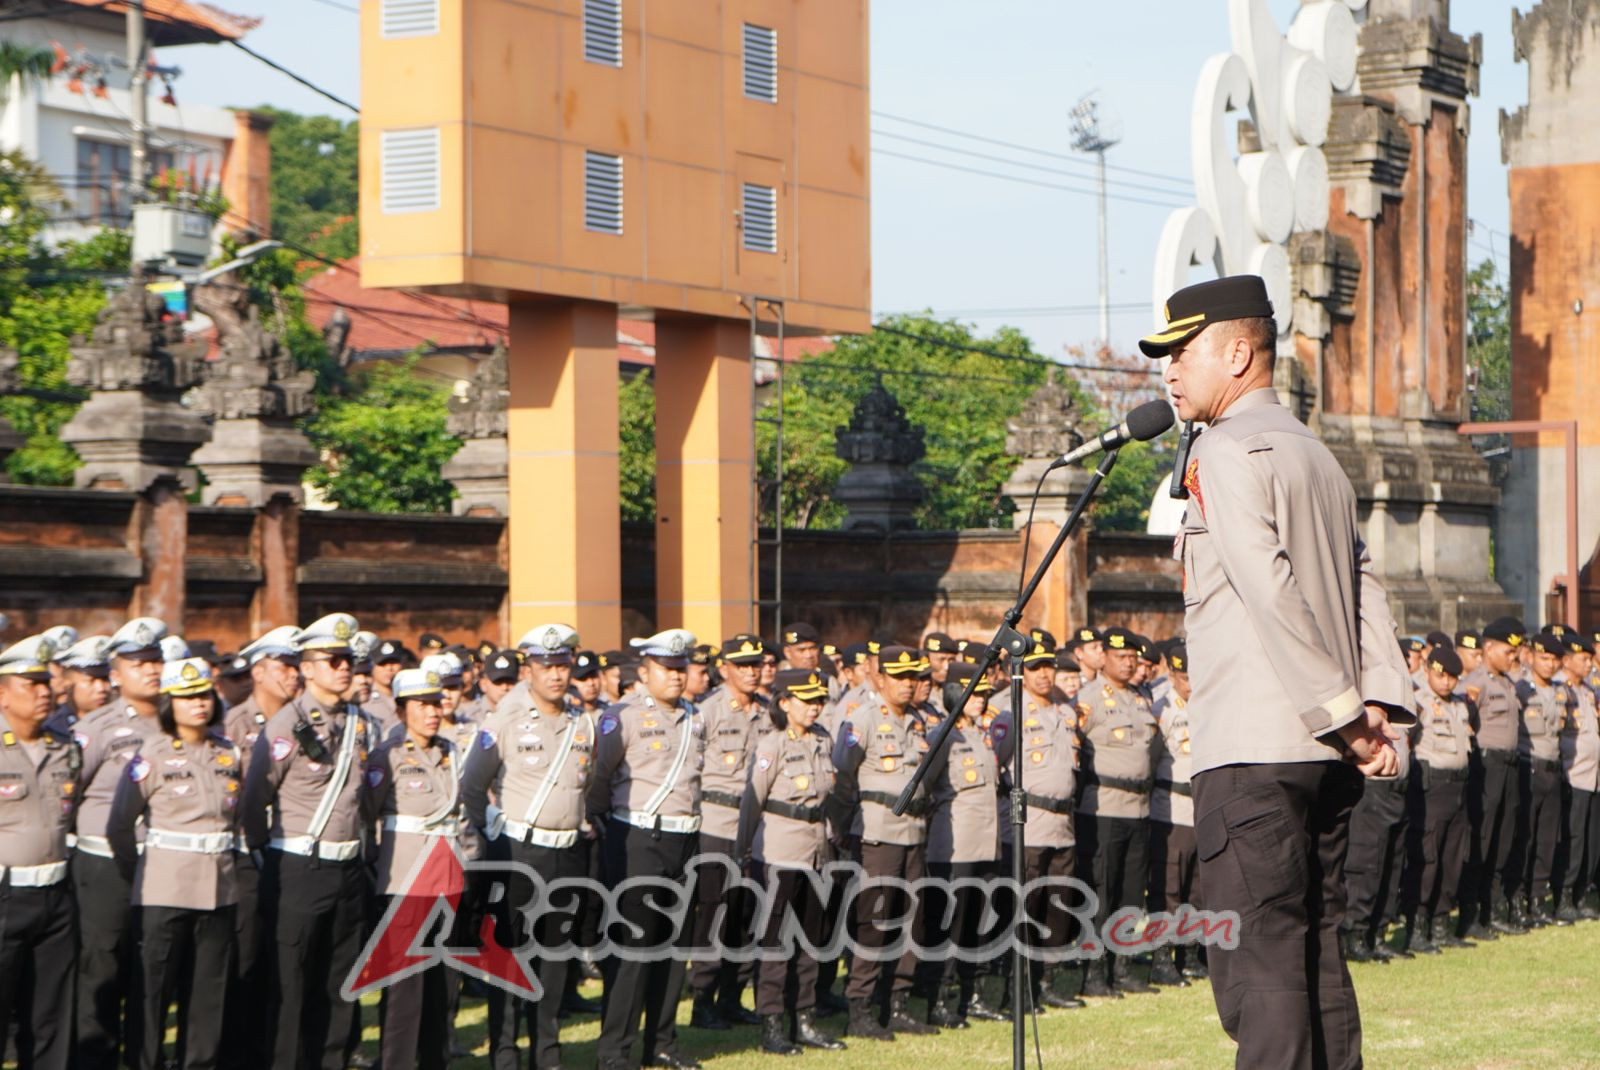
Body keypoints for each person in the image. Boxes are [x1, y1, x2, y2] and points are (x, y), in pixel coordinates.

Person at [1145, 274, 1413, 1070]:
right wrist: (1374, 709)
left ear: (1236, 353)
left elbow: (1269, 591)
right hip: (1323, 753)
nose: (1169, 371)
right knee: (1317, 956)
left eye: (1181, 353)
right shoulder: (1315, 453)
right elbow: (1363, 585)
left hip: (1257, 751)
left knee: (1259, 968)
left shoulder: (1225, 450)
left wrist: (1342, 711)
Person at [240, 613, 381, 1070]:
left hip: (347, 867)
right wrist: (272, 862)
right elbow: (253, 802)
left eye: (349, 660)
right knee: (291, 985)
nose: (345, 668)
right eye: (334, 659)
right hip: (300, 866)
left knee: (340, 983)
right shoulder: (287, 725)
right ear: (307, 667)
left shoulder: (361, 722)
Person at [461, 623, 595, 1070]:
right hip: (518, 852)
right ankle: (505, 1050)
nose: (556, 674)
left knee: (555, 960)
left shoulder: (582, 720)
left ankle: (547, 1052)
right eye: (546, 665)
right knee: (510, 954)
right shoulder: (505, 719)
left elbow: (586, 784)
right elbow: (472, 785)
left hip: (567, 851)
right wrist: (492, 829)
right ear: (530, 669)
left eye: (563, 664)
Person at [107, 655, 243, 1070]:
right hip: (165, 887)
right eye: (186, 698)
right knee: (152, 991)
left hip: (219, 889)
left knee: (207, 995)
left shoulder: (229, 752)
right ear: (169, 703)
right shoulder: (152, 754)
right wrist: (143, 877)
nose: (197, 704)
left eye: (203, 695)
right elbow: (119, 826)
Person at [587, 628, 706, 1070]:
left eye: (681, 668)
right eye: (667, 669)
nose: (676, 677)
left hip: (684, 838)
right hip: (638, 836)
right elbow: (598, 782)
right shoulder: (623, 717)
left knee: (673, 949)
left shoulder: (698, 717)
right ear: (645, 671)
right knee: (632, 949)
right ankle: (615, 1052)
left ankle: (662, 1042)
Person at [364, 667, 480, 1070]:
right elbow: (368, 817)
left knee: (443, 987)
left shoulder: (451, 751)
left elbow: (462, 816)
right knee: (405, 987)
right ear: (401, 711)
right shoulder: (387, 757)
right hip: (406, 881)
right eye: (422, 705)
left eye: (437, 702)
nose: (433, 711)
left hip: (448, 879)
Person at [734, 668, 847, 1055]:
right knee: (776, 944)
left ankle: (805, 1019)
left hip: (816, 852)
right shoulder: (772, 745)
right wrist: (742, 849)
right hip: (780, 853)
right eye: (806, 700)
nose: (815, 707)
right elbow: (753, 801)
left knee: (810, 941)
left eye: (818, 700)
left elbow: (826, 799)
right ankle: (771, 1023)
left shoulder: (822, 740)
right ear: (784, 703)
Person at [74, 615, 169, 1069]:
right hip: (106, 865)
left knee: (151, 970)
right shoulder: (98, 727)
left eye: (155, 660)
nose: (150, 670)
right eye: (138, 663)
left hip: (164, 865)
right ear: (115, 674)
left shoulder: (183, 718)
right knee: (104, 968)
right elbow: (66, 791)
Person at [830, 645, 937, 1041]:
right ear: (880, 678)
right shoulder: (864, 719)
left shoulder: (920, 722)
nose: (909, 684)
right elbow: (842, 775)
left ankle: (899, 1004)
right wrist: (842, 828)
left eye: (914, 676)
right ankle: (859, 1007)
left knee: (911, 920)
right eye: (900, 676)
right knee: (874, 922)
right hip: (878, 834)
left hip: (915, 832)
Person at [989, 632, 1084, 1011]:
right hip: (1027, 821)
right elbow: (993, 765)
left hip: (1063, 822)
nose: (1044, 674)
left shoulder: (1063, 709)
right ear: (1021, 671)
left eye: (1048, 666)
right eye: (1035, 667)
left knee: (1057, 905)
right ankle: (1020, 985)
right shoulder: (1007, 707)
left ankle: (1049, 981)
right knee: (1026, 905)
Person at [0, 633, 81, 1070]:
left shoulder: (65, 747)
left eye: (45, 682)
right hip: (5, 894)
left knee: (51, 1017)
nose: (44, 691)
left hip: (55, 893)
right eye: (30, 683)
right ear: (2, 693)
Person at [688, 635, 770, 1029]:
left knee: (746, 914)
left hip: (758, 828)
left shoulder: (770, 713)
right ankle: (702, 999)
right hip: (718, 824)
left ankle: (733, 997)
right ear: (726, 669)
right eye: (743, 665)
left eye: (756, 664)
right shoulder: (707, 712)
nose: (752, 672)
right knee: (714, 915)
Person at [919, 660, 1003, 1026]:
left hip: (986, 842)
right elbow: (923, 786)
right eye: (974, 694)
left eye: (984, 694)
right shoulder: (943, 735)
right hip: (953, 846)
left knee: (977, 923)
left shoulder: (979, 735)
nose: (981, 700)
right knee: (948, 925)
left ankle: (974, 996)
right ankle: (940, 998)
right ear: (955, 692)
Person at [1401, 646, 1474, 955]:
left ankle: (1441, 923)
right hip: (1431, 788)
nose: (1446, 683)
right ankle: (1416, 928)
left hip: (1459, 787)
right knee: (1427, 858)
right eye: (1439, 675)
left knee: (1452, 857)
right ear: (1429, 671)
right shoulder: (1418, 703)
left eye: (1452, 677)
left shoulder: (1460, 705)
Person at [1461, 617, 1528, 936]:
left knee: (1504, 837)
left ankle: (1494, 908)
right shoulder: (1477, 683)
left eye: (1515, 652)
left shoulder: (1507, 683)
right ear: (1488, 648)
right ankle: (1471, 913)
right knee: (1483, 838)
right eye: (1507, 651)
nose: (1513, 657)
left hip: (1510, 766)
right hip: (1487, 766)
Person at [1148, 640, 1200, 985]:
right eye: (1183, 678)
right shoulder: (1160, 709)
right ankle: (1162, 957)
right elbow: (1150, 760)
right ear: (1172, 675)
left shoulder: (1209, 705)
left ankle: (1191, 952)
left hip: (1201, 806)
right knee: (1168, 887)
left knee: (1198, 886)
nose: (1190, 684)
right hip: (1171, 807)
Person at [1516, 632, 1571, 927]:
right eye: (1544, 658)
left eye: (1554, 659)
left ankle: (1537, 900)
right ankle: (1518, 899)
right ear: (1532, 657)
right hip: (1530, 766)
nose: (1549, 665)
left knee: (1548, 839)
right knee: (1526, 837)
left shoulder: (1562, 692)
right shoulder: (1521, 688)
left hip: (1553, 768)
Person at [1558, 634, 1600, 921]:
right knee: (1572, 839)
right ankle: (1564, 897)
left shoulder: (1587, 691)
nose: (1589, 664)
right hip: (1574, 775)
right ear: (1567, 660)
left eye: (1589, 659)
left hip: (1593, 776)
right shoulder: (1562, 691)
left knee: (1591, 841)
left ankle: (1582, 894)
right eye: (1583, 659)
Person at [48, 633, 111, 728]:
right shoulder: (56, 729)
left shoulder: (124, 722)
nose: (101, 688)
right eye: (91, 680)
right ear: (68, 683)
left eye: (105, 679)